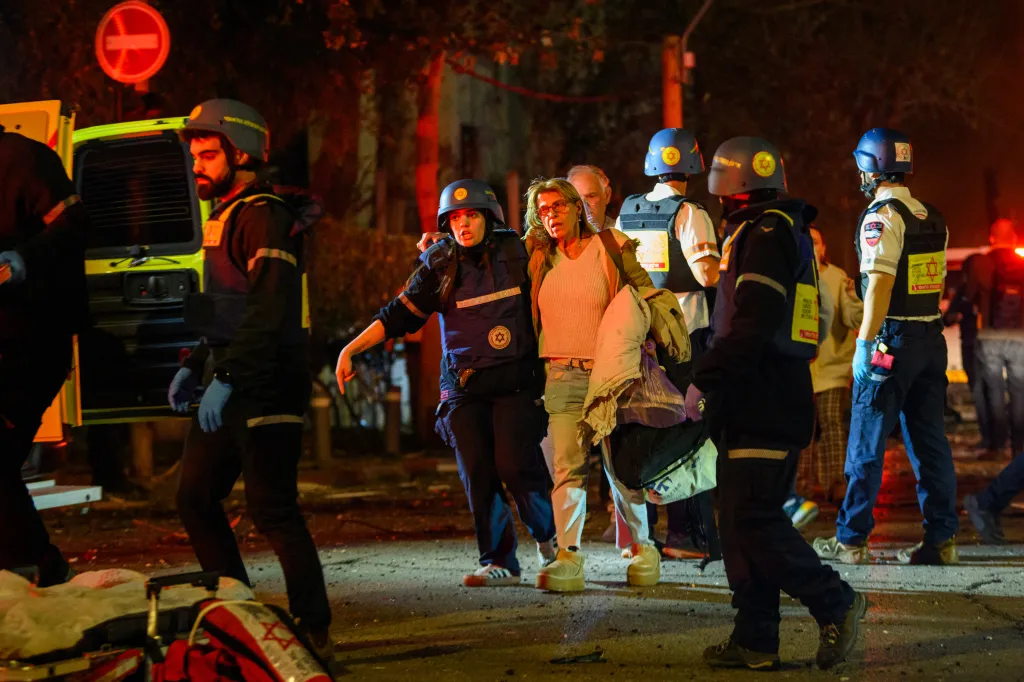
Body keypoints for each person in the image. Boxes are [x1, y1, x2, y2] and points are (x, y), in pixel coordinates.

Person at [687, 136, 864, 671]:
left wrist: (705, 379)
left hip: (762, 397)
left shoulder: (763, 236)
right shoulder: (778, 230)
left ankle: (835, 602)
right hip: (766, 396)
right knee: (739, 521)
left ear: (728, 188)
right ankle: (756, 637)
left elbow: (753, 322)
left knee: (753, 520)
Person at [167, 99, 332, 653]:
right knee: (194, 497)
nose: (197, 165)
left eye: (208, 154)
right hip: (227, 374)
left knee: (271, 507)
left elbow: (266, 308)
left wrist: (227, 375)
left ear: (241, 154)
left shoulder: (265, 214)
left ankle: (314, 630)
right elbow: (224, 305)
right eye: (194, 154)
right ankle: (238, 614)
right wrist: (195, 365)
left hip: (266, 379)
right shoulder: (225, 214)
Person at [337, 179, 557, 587]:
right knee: (477, 469)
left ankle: (549, 540)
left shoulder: (518, 251)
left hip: (516, 382)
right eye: (454, 218)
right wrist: (351, 348)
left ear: (489, 218)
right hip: (463, 387)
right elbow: (396, 316)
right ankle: (500, 560)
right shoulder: (439, 266)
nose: (463, 225)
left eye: (471, 215)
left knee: (514, 464)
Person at [814, 128, 959, 566]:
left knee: (866, 442)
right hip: (930, 341)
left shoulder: (882, 217)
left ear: (872, 167)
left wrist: (863, 344)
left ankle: (851, 540)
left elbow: (879, 285)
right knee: (931, 443)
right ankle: (942, 541)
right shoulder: (933, 216)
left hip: (890, 343)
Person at [525, 177, 661, 591]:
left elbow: (646, 296)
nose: (551, 216)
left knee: (621, 467)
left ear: (575, 206)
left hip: (610, 373)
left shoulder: (610, 245)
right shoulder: (538, 258)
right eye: (543, 210)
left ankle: (642, 547)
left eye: (558, 207)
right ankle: (569, 555)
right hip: (560, 375)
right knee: (567, 467)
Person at [616, 127, 721, 560]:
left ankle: (643, 538)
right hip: (685, 339)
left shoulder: (628, 211)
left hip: (641, 339)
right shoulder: (690, 213)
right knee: (689, 437)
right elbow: (707, 276)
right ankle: (689, 537)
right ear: (694, 166)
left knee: (643, 431)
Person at [0, 122, 89, 587]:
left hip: (31, 344)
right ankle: (35, 566)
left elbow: (74, 224)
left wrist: (23, 259)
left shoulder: (25, 159)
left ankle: (40, 567)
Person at [795, 227, 863, 510]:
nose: (812, 247)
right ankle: (800, 487)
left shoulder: (837, 278)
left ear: (824, 247)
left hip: (832, 367)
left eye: (816, 242)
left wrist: (856, 296)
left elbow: (853, 318)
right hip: (799, 369)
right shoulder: (792, 276)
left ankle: (836, 484)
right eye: (806, 242)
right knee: (802, 428)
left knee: (832, 424)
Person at [965, 218, 1024, 460]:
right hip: (1020, 337)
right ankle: (1019, 446)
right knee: (1020, 391)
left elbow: (969, 296)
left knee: (995, 390)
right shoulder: (1021, 264)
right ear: (1013, 238)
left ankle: (997, 445)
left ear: (991, 237)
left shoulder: (983, 263)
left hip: (989, 335)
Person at [568, 164, 616, 231]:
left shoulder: (622, 235)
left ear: (607, 195)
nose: (583, 206)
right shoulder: (561, 236)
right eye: (577, 198)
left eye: (591, 196)